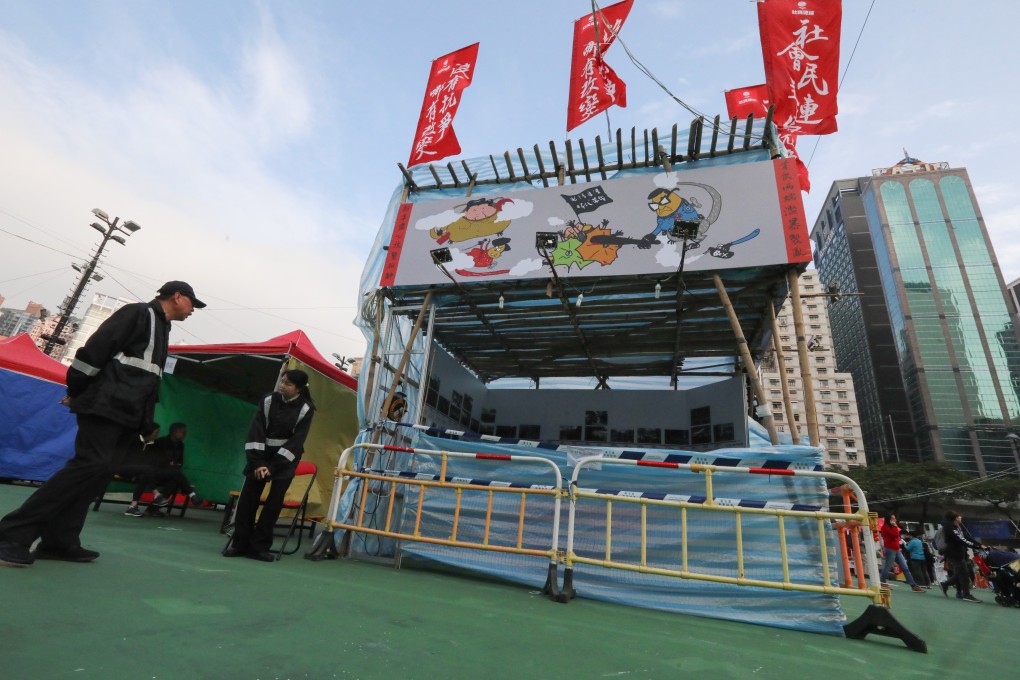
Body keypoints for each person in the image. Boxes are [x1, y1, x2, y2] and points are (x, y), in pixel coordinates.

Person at [0, 281, 204, 567]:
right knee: (89, 466)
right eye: (193, 304)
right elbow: (94, 352)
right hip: (106, 408)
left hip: (126, 415)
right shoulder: (138, 313)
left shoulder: (162, 328)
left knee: (97, 474)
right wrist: (77, 390)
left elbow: (146, 380)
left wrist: (145, 424)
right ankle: (11, 535)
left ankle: (60, 542)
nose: (194, 310)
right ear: (178, 297)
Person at [223, 369, 315, 562]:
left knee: (273, 504)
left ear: (299, 389)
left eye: (288, 383)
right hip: (260, 457)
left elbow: (296, 442)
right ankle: (239, 544)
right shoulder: (268, 400)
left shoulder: (306, 409)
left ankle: (260, 547)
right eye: (282, 381)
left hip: (285, 461)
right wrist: (258, 463)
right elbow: (256, 431)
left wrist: (272, 466)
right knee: (248, 500)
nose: (282, 385)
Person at [123, 423, 202, 517]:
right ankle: (191, 494)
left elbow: (178, 462)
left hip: (162, 472)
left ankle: (153, 509)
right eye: (183, 432)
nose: (185, 434)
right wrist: (167, 463)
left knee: (173, 480)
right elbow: (153, 461)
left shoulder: (179, 445)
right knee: (150, 474)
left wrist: (172, 464)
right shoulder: (159, 442)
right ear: (175, 432)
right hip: (149, 471)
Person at [939, 510, 986, 603]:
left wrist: (979, 544)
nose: (961, 518)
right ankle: (966, 594)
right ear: (955, 518)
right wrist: (976, 546)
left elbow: (966, 537)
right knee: (964, 573)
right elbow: (961, 540)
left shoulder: (957, 527)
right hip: (954, 553)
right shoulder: (950, 527)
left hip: (959, 553)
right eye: (960, 516)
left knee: (962, 572)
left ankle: (945, 584)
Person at [878, 513, 926, 592]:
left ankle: (913, 585)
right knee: (888, 566)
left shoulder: (892, 527)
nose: (894, 520)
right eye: (892, 518)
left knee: (905, 567)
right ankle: (882, 582)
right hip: (890, 549)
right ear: (888, 520)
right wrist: (895, 526)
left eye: (894, 518)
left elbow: (896, 536)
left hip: (896, 549)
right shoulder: (885, 527)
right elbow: (895, 534)